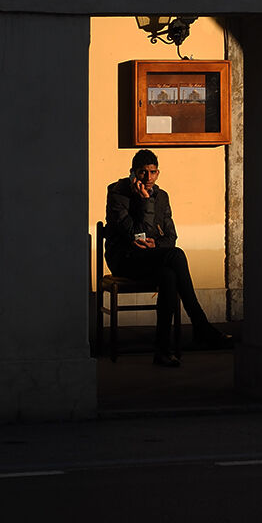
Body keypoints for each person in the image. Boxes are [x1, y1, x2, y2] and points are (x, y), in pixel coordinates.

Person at [105, 149, 233, 367]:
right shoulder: (118, 193)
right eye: (143, 172)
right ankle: (201, 326)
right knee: (177, 255)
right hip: (126, 260)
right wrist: (145, 201)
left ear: (158, 172)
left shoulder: (162, 196)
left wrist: (157, 244)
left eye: (153, 172)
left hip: (152, 257)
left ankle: (162, 351)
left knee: (169, 275)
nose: (148, 178)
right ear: (133, 173)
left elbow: (170, 236)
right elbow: (136, 233)